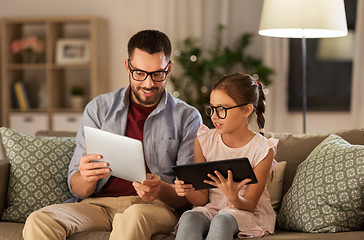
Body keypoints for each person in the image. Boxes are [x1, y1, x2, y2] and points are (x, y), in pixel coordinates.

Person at [23, 30, 202, 240]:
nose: (148, 83)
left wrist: (160, 188)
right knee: (39, 220)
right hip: (98, 205)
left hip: (152, 207)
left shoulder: (187, 117)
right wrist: (87, 177)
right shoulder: (99, 108)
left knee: (134, 216)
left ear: (169, 68)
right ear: (128, 66)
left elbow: (187, 196)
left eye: (157, 74)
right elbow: (77, 187)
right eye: (140, 73)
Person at [174, 72, 278, 239]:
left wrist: (233, 197)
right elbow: (201, 200)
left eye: (222, 109)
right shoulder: (204, 141)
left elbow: (250, 205)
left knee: (222, 220)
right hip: (212, 208)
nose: (214, 116)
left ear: (247, 109)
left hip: (243, 212)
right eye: (212, 108)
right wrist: (186, 190)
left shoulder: (263, 150)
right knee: (189, 217)